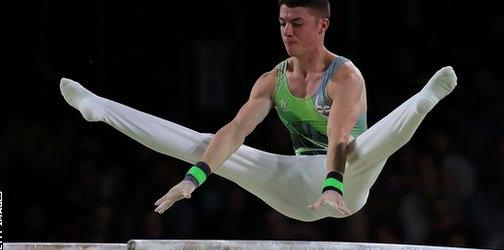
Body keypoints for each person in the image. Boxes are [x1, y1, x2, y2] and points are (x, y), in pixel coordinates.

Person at [59, 0, 457, 222]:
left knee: (364, 147)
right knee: (206, 143)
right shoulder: (272, 79)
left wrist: (332, 185)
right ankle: (100, 107)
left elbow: (337, 137)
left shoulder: (345, 77)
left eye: (297, 23)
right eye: (282, 23)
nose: (287, 31)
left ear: (323, 25)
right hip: (292, 184)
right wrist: (193, 180)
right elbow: (236, 130)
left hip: (343, 184)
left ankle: (421, 102)